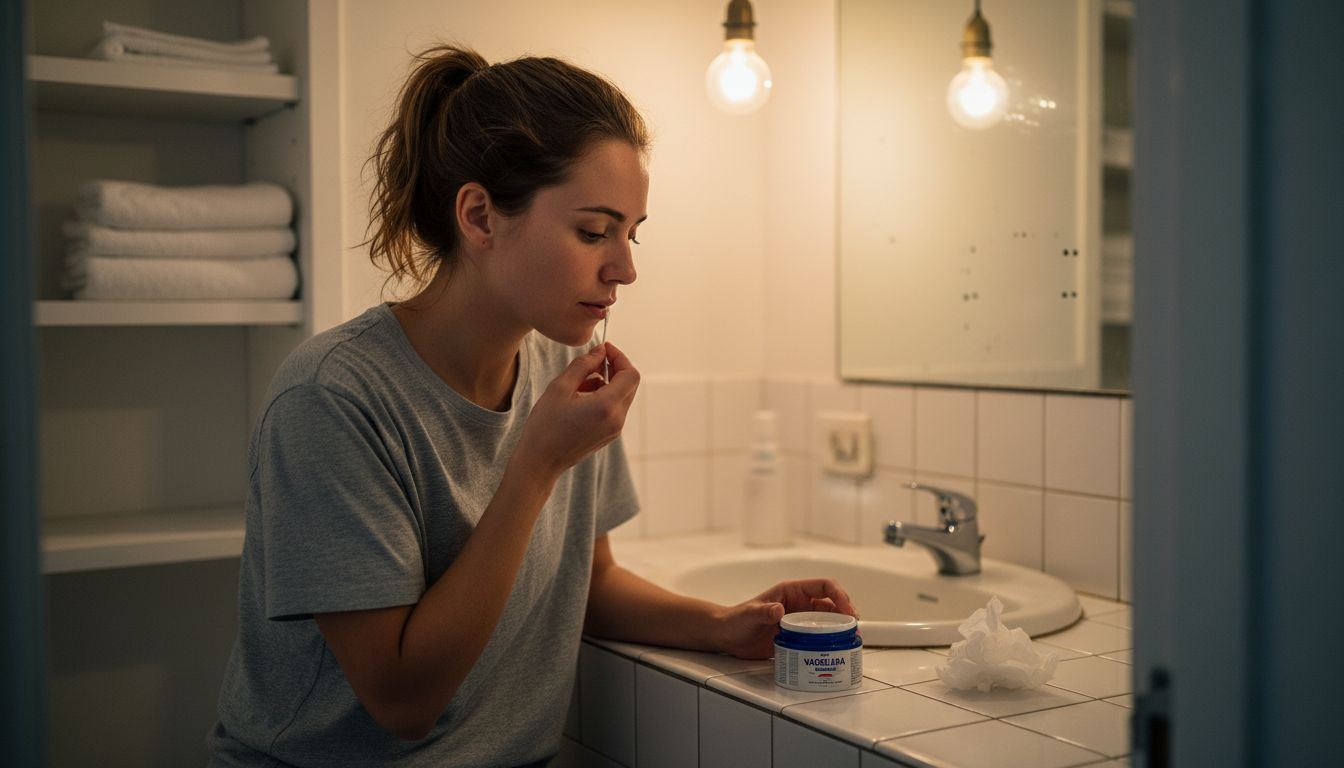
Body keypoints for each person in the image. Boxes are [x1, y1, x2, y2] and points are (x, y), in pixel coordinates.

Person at [208, 43, 855, 767]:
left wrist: (721, 624)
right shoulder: (333, 397)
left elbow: (592, 582)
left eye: (632, 233)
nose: (627, 267)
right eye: (593, 231)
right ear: (480, 216)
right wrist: (537, 464)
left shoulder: (560, 373)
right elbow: (401, 701)